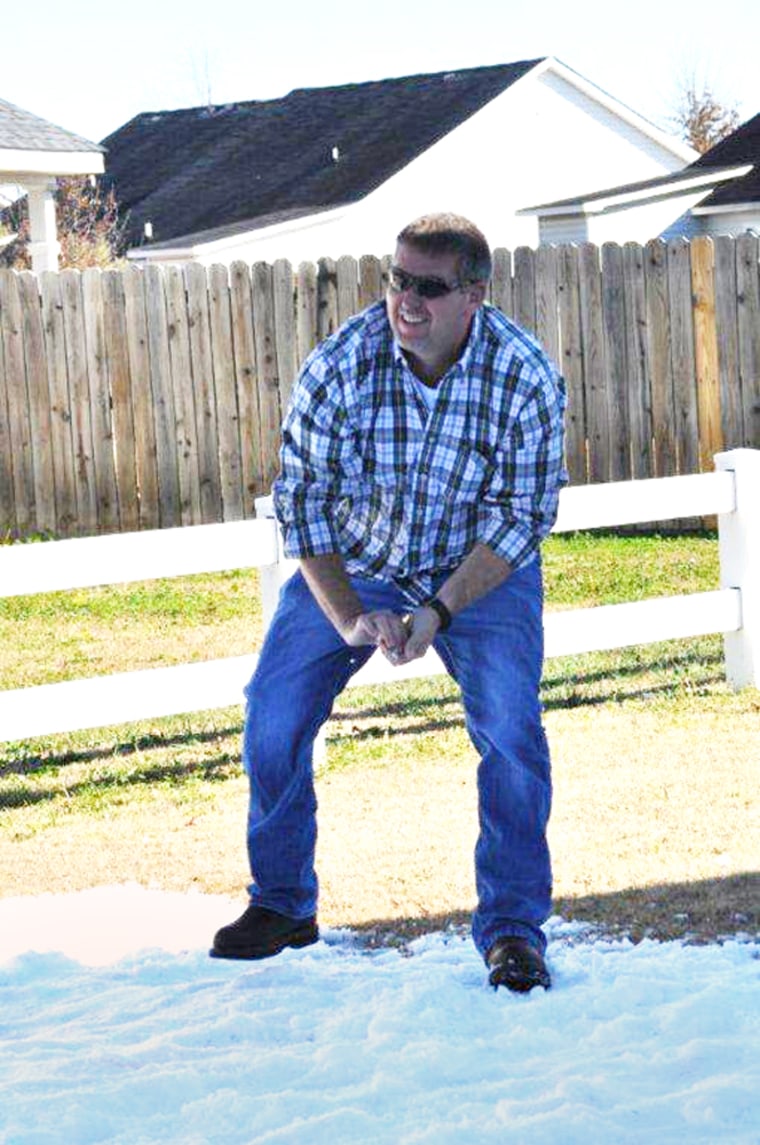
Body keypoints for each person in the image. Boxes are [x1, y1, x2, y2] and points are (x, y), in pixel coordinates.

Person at [211, 213, 567, 992]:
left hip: (477, 566)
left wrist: (438, 611)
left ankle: (512, 929)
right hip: (360, 559)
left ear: (473, 294)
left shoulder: (523, 376)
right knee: (272, 713)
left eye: (429, 286)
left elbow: (521, 518)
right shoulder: (343, 362)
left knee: (510, 731)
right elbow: (300, 498)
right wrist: (347, 617)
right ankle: (283, 903)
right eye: (397, 277)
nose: (405, 299)